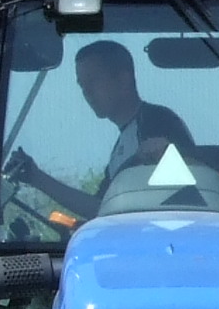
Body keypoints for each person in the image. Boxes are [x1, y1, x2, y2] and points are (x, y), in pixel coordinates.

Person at [10, 39, 197, 218]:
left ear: (124, 79)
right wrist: (36, 177)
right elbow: (100, 207)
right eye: (82, 85)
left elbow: (183, 196)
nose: (87, 92)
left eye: (93, 81)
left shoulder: (157, 121)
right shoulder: (121, 147)